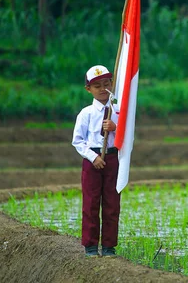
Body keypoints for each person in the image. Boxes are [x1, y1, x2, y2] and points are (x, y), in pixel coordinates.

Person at [72, 65, 120, 257]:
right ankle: (91, 245)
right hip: (92, 161)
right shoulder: (86, 114)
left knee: (112, 204)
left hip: (112, 158)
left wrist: (115, 127)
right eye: (97, 85)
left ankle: (109, 246)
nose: (102, 89)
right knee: (91, 204)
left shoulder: (118, 111)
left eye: (106, 84)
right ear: (88, 89)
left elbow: (126, 136)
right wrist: (93, 157)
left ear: (112, 85)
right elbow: (77, 141)